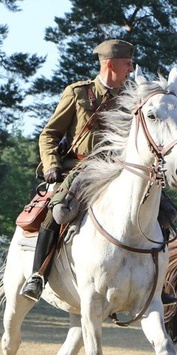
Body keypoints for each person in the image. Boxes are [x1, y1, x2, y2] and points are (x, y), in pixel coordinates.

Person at [21, 39, 147, 302]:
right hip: (81, 168)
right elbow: (49, 134)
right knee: (58, 211)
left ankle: (159, 283)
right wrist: (52, 165)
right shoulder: (78, 92)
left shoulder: (131, 99)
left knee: (161, 211)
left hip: (118, 171)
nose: (132, 68)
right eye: (128, 63)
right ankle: (38, 274)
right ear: (111, 64)